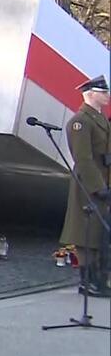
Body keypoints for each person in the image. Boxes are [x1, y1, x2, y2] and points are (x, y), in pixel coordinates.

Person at [59, 75, 111, 298]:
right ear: (91, 94)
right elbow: (84, 159)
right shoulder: (80, 121)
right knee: (87, 232)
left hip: (103, 179)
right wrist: (99, 187)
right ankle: (88, 281)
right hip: (89, 185)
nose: (107, 96)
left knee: (100, 232)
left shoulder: (100, 119)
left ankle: (99, 279)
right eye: (103, 92)